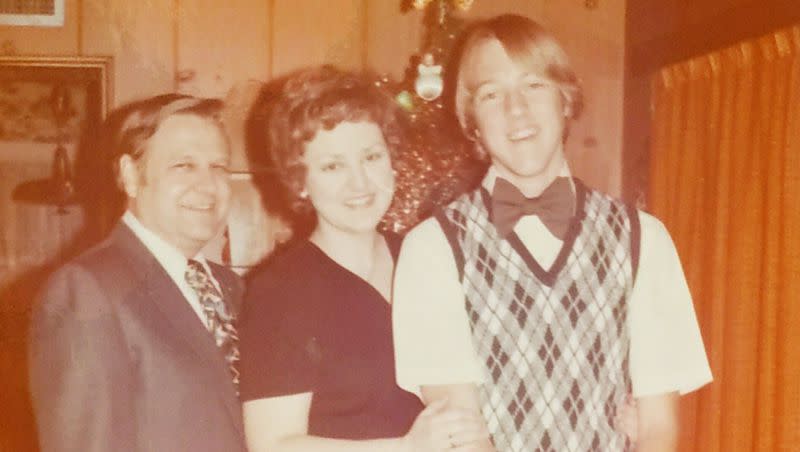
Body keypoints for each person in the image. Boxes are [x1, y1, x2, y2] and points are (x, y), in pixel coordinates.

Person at [392, 14, 713, 452]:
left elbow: (659, 429)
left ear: (565, 100)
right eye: (491, 94)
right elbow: (461, 438)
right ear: (473, 123)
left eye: (534, 85)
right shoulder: (431, 250)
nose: (515, 109)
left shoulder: (645, 240)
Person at [238, 66, 488, 452]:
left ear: (392, 160)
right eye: (333, 166)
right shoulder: (280, 290)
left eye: (370, 157)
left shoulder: (424, 257)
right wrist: (405, 448)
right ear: (300, 181)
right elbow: (272, 444)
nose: (359, 183)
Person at [28, 94, 246, 452]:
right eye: (184, 166)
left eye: (219, 167)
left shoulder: (233, 289)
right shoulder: (86, 289)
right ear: (130, 175)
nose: (208, 186)